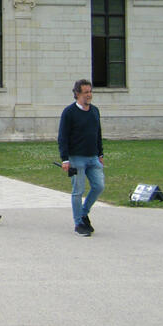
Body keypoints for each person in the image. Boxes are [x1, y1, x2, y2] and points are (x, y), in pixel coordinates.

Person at [57, 79, 105, 236]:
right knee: (78, 191)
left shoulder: (95, 111)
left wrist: (100, 153)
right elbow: (63, 137)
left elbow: (98, 133)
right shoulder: (69, 112)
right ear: (77, 94)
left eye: (90, 92)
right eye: (86, 92)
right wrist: (65, 159)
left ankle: (83, 213)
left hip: (93, 157)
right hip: (76, 158)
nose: (89, 95)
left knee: (99, 186)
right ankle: (78, 223)